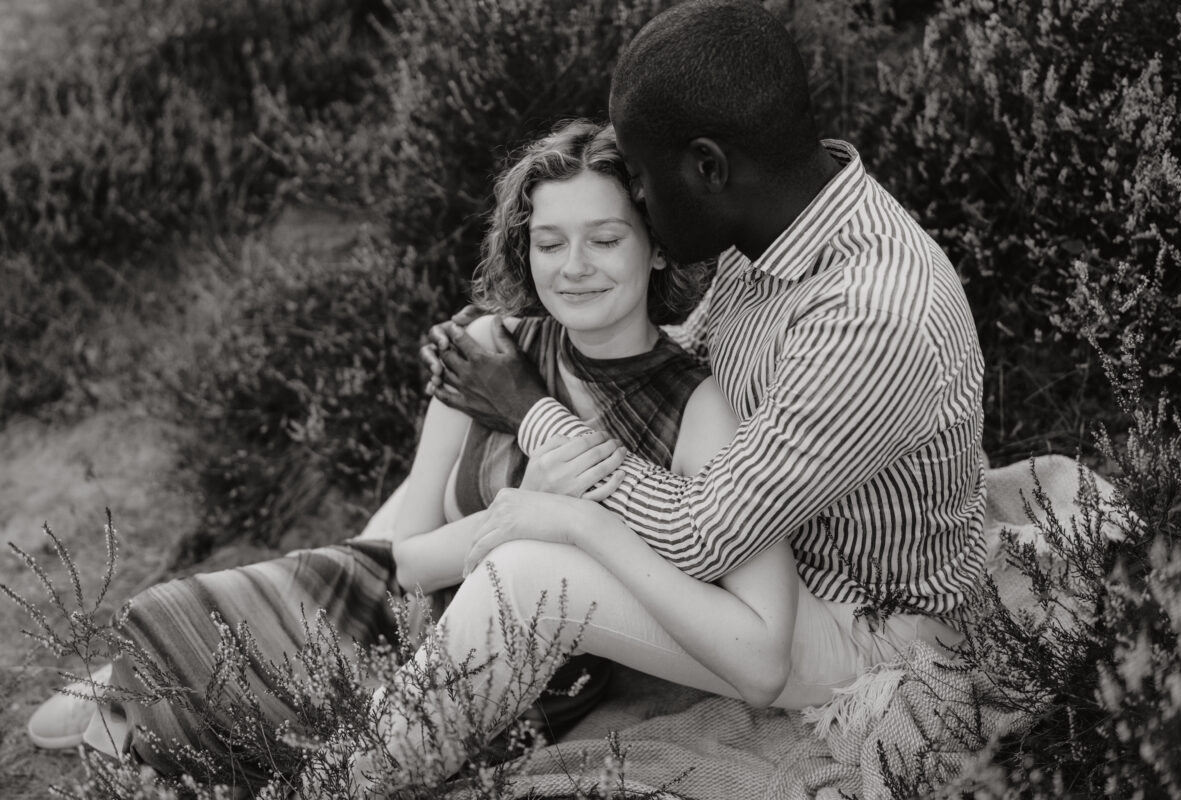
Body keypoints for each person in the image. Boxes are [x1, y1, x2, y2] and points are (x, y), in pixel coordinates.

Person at [26, 120, 797, 789]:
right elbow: (410, 562)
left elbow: (731, 624)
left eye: (605, 239)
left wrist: (567, 521)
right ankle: (169, 691)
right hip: (394, 602)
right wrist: (522, 509)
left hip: (520, 664)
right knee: (142, 649)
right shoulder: (490, 349)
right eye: (549, 242)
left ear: (657, 251)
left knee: (152, 732)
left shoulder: (698, 410)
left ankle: (170, 712)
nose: (574, 267)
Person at [394, 0, 987, 784]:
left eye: (638, 179)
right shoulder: (775, 227)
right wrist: (518, 337)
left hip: (861, 624)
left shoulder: (868, 315)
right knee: (467, 435)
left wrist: (531, 415)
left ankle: (354, 774)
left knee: (531, 572)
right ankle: (356, 611)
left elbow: (707, 532)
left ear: (708, 168)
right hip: (772, 551)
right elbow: (681, 349)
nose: (636, 199)